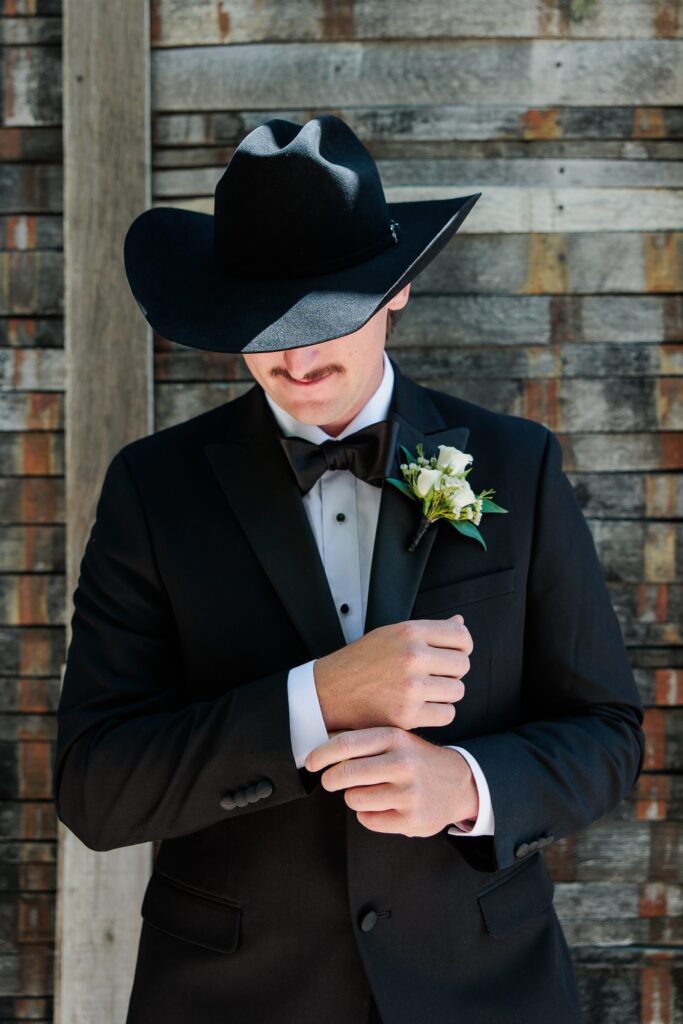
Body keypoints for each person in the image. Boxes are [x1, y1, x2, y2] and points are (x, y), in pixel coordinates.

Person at [53, 115, 645, 1024]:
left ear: (397, 287)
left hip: (482, 992)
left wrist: (468, 788)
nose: (292, 358)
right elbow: (97, 788)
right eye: (259, 323)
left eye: (325, 315)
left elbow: (606, 736)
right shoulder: (150, 489)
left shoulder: (515, 465)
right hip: (233, 1000)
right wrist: (315, 702)